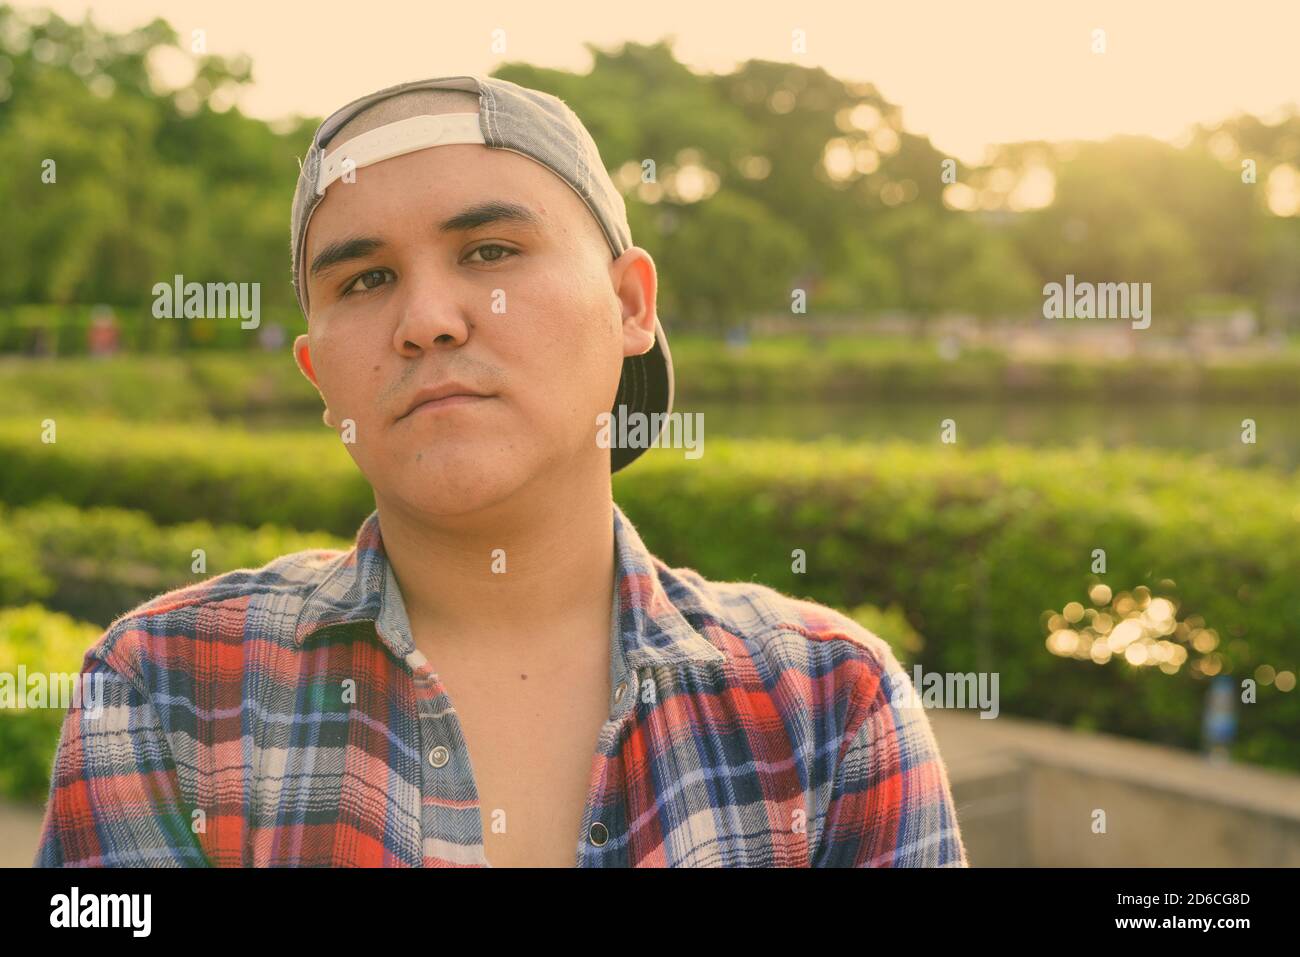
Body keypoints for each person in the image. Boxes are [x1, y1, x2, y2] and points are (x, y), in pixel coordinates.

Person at [34, 74, 966, 867]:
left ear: (630, 304)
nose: (428, 319)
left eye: (489, 251)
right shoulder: (167, 690)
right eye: (363, 279)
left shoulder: (828, 706)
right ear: (320, 375)